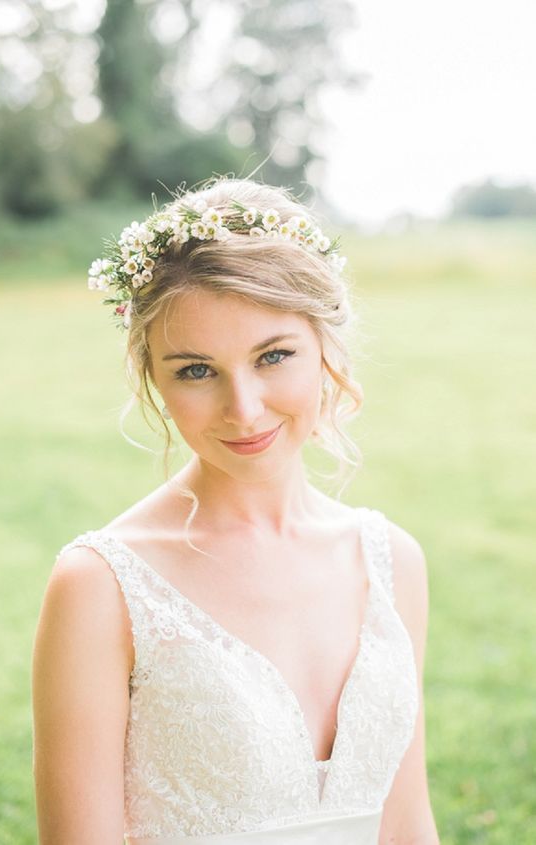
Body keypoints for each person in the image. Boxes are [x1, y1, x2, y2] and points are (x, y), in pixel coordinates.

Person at [31, 176, 440, 844]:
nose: (244, 408)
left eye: (273, 356)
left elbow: (406, 822)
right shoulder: (100, 585)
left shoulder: (392, 561)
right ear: (152, 379)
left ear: (324, 349)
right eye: (196, 369)